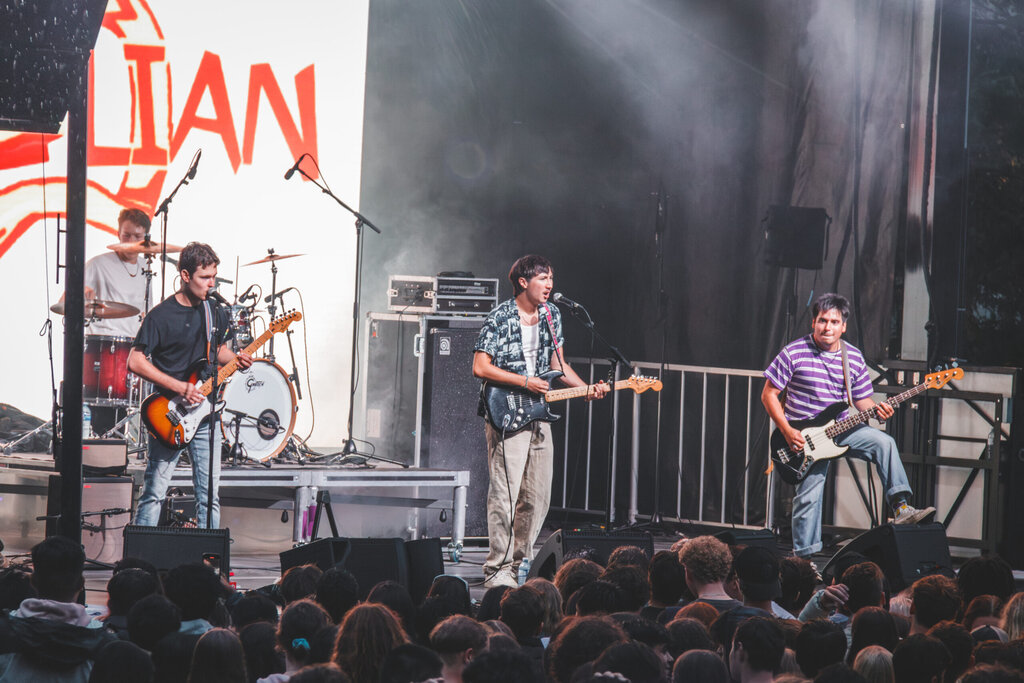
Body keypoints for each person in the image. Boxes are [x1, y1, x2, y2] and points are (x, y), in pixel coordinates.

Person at [761, 292, 934, 558]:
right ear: (813, 322)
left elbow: (862, 400)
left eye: (834, 322)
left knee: (884, 442)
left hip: (841, 429)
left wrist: (879, 411)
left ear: (844, 326)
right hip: (803, 439)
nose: (827, 327)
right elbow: (768, 394)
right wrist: (787, 430)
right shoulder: (793, 352)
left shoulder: (852, 356)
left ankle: (900, 507)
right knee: (808, 497)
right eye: (822, 320)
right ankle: (803, 561)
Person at [472, 254, 607, 588]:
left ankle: (522, 565)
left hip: (539, 412)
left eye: (551, 279)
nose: (549, 285)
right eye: (543, 278)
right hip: (507, 411)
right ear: (523, 281)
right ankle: (497, 569)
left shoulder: (551, 314)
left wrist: (585, 389)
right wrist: (525, 382)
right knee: (505, 494)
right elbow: (481, 367)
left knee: (537, 496)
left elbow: (557, 365)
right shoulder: (500, 316)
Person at [128, 242, 252, 528]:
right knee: (154, 495)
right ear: (185, 275)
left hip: (207, 415)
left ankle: (209, 554)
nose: (212, 283)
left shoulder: (214, 311)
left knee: (209, 498)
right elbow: (135, 361)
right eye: (204, 277)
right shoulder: (160, 315)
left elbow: (218, 350)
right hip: (169, 414)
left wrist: (237, 359)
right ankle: (139, 552)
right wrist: (180, 387)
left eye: (214, 276)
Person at [78, 208, 151, 436]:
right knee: (105, 418)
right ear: (118, 233)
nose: (130, 241)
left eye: (137, 237)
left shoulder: (146, 269)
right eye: (126, 235)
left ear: (145, 238)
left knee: (135, 413)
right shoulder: (97, 264)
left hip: (135, 350)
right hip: (104, 349)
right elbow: (67, 303)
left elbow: (147, 314)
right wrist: (83, 297)